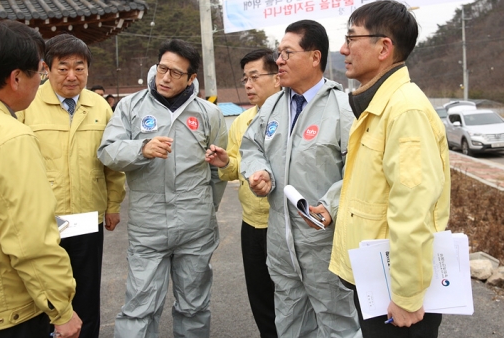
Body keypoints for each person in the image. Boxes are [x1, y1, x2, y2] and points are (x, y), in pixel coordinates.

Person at [329, 0, 451, 337]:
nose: (343, 49)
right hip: (378, 277)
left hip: (395, 291)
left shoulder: (405, 110)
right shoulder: (378, 106)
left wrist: (407, 295)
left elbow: (413, 209)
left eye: (351, 39)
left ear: (384, 47)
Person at [0, 21, 81, 338]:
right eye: (39, 73)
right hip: (1, 311)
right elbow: (30, 239)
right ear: (15, 78)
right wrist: (61, 309)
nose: (41, 81)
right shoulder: (9, 136)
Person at [97, 39, 228, 338]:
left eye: (176, 73)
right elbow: (107, 151)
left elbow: (216, 172)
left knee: (193, 307)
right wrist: (141, 149)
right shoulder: (131, 106)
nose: (166, 78)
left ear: (192, 78)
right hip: (149, 227)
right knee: (139, 308)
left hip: (195, 228)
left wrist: (206, 210)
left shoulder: (209, 114)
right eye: (162, 69)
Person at [241, 20, 360, 337]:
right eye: (279, 52)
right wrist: (258, 170)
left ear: (315, 57)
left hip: (324, 243)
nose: (278, 60)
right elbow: (251, 146)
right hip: (281, 243)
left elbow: (360, 169)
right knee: (290, 324)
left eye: (287, 53)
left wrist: (331, 204)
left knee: (339, 324)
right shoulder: (272, 106)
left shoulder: (343, 108)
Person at [18, 34, 126, 338]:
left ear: (88, 71)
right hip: (44, 220)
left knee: (86, 292)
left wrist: (114, 205)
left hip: (86, 217)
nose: (71, 76)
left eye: (79, 68)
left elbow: (112, 163)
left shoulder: (99, 107)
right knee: (43, 293)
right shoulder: (29, 103)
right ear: (46, 69)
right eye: (62, 68)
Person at [205, 49, 280, 338]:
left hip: (284, 221)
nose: (247, 85)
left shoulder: (291, 115)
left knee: (291, 296)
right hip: (252, 223)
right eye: (244, 78)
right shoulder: (242, 120)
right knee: (261, 297)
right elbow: (238, 166)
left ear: (277, 78)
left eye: (254, 77)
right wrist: (226, 162)